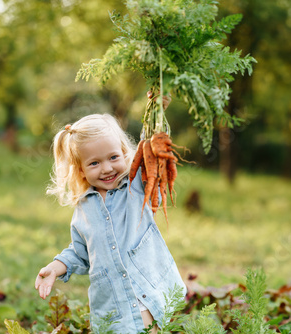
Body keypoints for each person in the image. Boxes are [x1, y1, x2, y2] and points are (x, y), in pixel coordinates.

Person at [35, 102, 185, 333]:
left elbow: (153, 149)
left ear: (125, 154)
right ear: (81, 170)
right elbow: (79, 252)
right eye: (94, 163)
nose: (106, 168)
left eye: (113, 157)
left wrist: (157, 106)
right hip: (112, 305)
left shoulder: (135, 186)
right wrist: (55, 268)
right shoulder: (83, 209)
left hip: (146, 290)